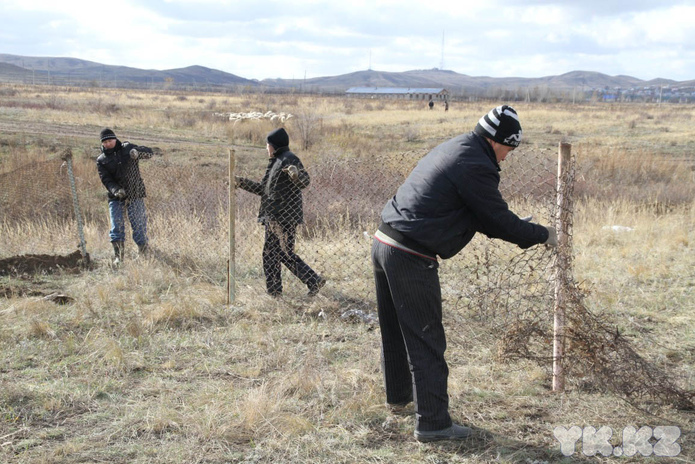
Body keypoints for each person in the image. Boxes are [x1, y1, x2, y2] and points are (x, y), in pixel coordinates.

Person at [371, 105, 557, 442]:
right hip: (410, 254)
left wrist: (521, 229)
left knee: (396, 331)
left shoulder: (457, 146)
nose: (507, 157)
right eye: (509, 149)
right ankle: (434, 425)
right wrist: (542, 235)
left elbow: (483, 216)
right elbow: (497, 219)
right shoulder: (476, 164)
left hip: (385, 241)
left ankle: (399, 399)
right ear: (498, 140)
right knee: (426, 339)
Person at [235, 128, 326, 297]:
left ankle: (276, 293)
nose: (266, 148)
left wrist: (296, 175)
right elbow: (263, 189)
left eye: (268, 145)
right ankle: (312, 281)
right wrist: (241, 183)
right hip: (275, 216)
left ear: (274, 146)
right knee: (281, 253)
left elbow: (304, 181)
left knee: (273, 254)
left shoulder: (288, 159)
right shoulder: (276, 161)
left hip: (282, 217)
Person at [96, 128, 154, 265]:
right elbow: (106, 179)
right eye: (105, 142)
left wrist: (138, 153)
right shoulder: (101, 160)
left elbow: (150, 153)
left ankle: (143, 251)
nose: (108, 144)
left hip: (135, 192)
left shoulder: (127, 148)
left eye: (110, 140)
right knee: (117, 226)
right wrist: (116, 190)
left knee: (138, 224)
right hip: (116, 197)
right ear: (102, 143)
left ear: (115, 139)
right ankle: (118, 257)